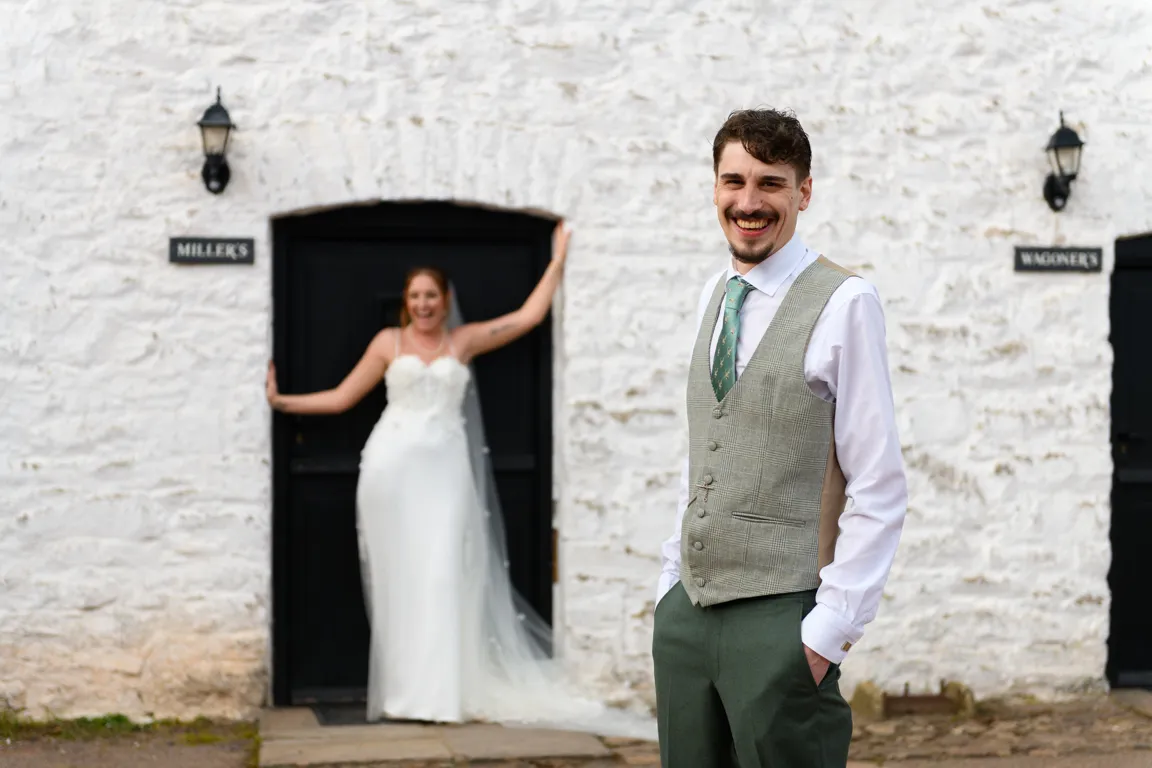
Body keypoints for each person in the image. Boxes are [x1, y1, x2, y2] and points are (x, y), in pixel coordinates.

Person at [266, 223, 655, 739]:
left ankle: (444, 693)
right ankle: (409, 694)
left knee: (445, 573)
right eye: (415, 296)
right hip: (389, 473)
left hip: (446, 476)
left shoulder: (462, 342)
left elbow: (527, 317)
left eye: (432, 295)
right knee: (400, 581)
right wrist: (283, 402)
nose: (424, 304)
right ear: (406, 302)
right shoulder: (389, 342)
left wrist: (556, 261)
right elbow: (341, 397)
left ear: (445, 299)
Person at [652, 109, 908, 767]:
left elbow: (878, 484)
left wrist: (829, 632)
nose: (749, 201)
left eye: (770, 183)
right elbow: (708, 447)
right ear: (715, 187)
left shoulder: (846, 302)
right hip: (688, 617)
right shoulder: (716, 292)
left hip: (781, 620)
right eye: (733, 181)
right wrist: (668, 588)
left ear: (804, 191)